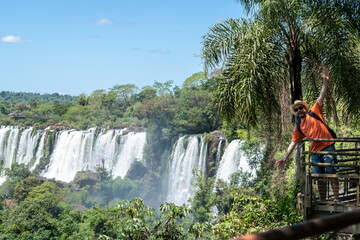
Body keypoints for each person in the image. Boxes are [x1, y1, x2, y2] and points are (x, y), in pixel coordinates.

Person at [276, 68, 339, 201]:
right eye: (296, 109)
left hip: (328, 147)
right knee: (318, 177)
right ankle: (322, 200)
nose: (299, 110)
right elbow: (293, 143)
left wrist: (325, 81)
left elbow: (322, 94)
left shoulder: (315, 111)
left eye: (300, 108)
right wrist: (285, 157)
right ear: (296, 112)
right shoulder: (299, 127)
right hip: (315, 153)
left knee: (331, 173)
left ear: (305, 108)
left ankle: (337, 198)